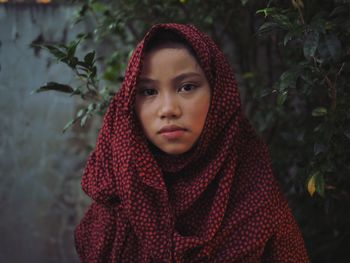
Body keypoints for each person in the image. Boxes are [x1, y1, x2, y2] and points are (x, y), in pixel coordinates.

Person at [75, 23, 309, 263]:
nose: (168, 109)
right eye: (148, 92)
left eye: (187, 87)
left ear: (218, 95)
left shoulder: (256, 196)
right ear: (130, 105)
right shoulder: (114, 201)